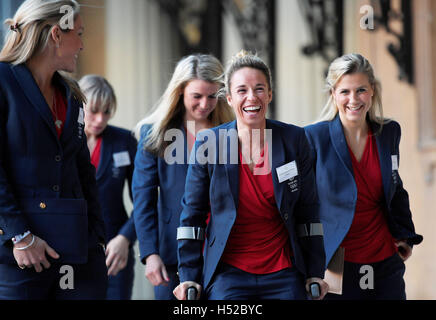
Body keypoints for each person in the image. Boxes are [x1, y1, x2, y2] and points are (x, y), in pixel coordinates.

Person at [173, 51, 328, 300]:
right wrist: (189, 274)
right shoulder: (208, 143)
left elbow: (308, 211)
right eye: (242, 90)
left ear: (269, 94)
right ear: (230, 98)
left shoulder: (294, 140)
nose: (251, 97)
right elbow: (192, 215)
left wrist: (315, 271)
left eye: (259, 89)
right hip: (229, 273)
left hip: (283, 270)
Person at [0, 0, 107, 300]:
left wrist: (97, 236)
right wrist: (20, 237)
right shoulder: (3, 81)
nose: (82, 45)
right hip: (19, 257)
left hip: (79, 254)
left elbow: (83, 169)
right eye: (79, 34)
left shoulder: (72, 94)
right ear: (56, 35)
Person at [304, 53, 423, 300]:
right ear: (333, 94)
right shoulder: (313, 138)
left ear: (372, 92)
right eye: (345, 91)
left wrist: (405, 236)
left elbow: (395, 188)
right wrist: (309, 260)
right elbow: (301, 204)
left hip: (385, 260)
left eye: (361, 90)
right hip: (336, 264)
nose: (353, 99)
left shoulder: (389, 132)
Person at [132, 54, 234, 300]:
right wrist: (150, 254)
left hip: (224, 250)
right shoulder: (154, 134)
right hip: (171, 252)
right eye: (196, 96)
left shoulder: (233, 132)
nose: (204, 104)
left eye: (212, 96)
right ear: (180, 93)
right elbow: (143, 199)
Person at [79, 75, 137, 300]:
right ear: (78, 104)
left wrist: (126, 238)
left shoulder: (124, 141)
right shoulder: (61, 142)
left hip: (114, 251)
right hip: (71, 251)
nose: (100, 119)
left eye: (107, 111)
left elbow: (143, 200)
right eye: (93, 111)